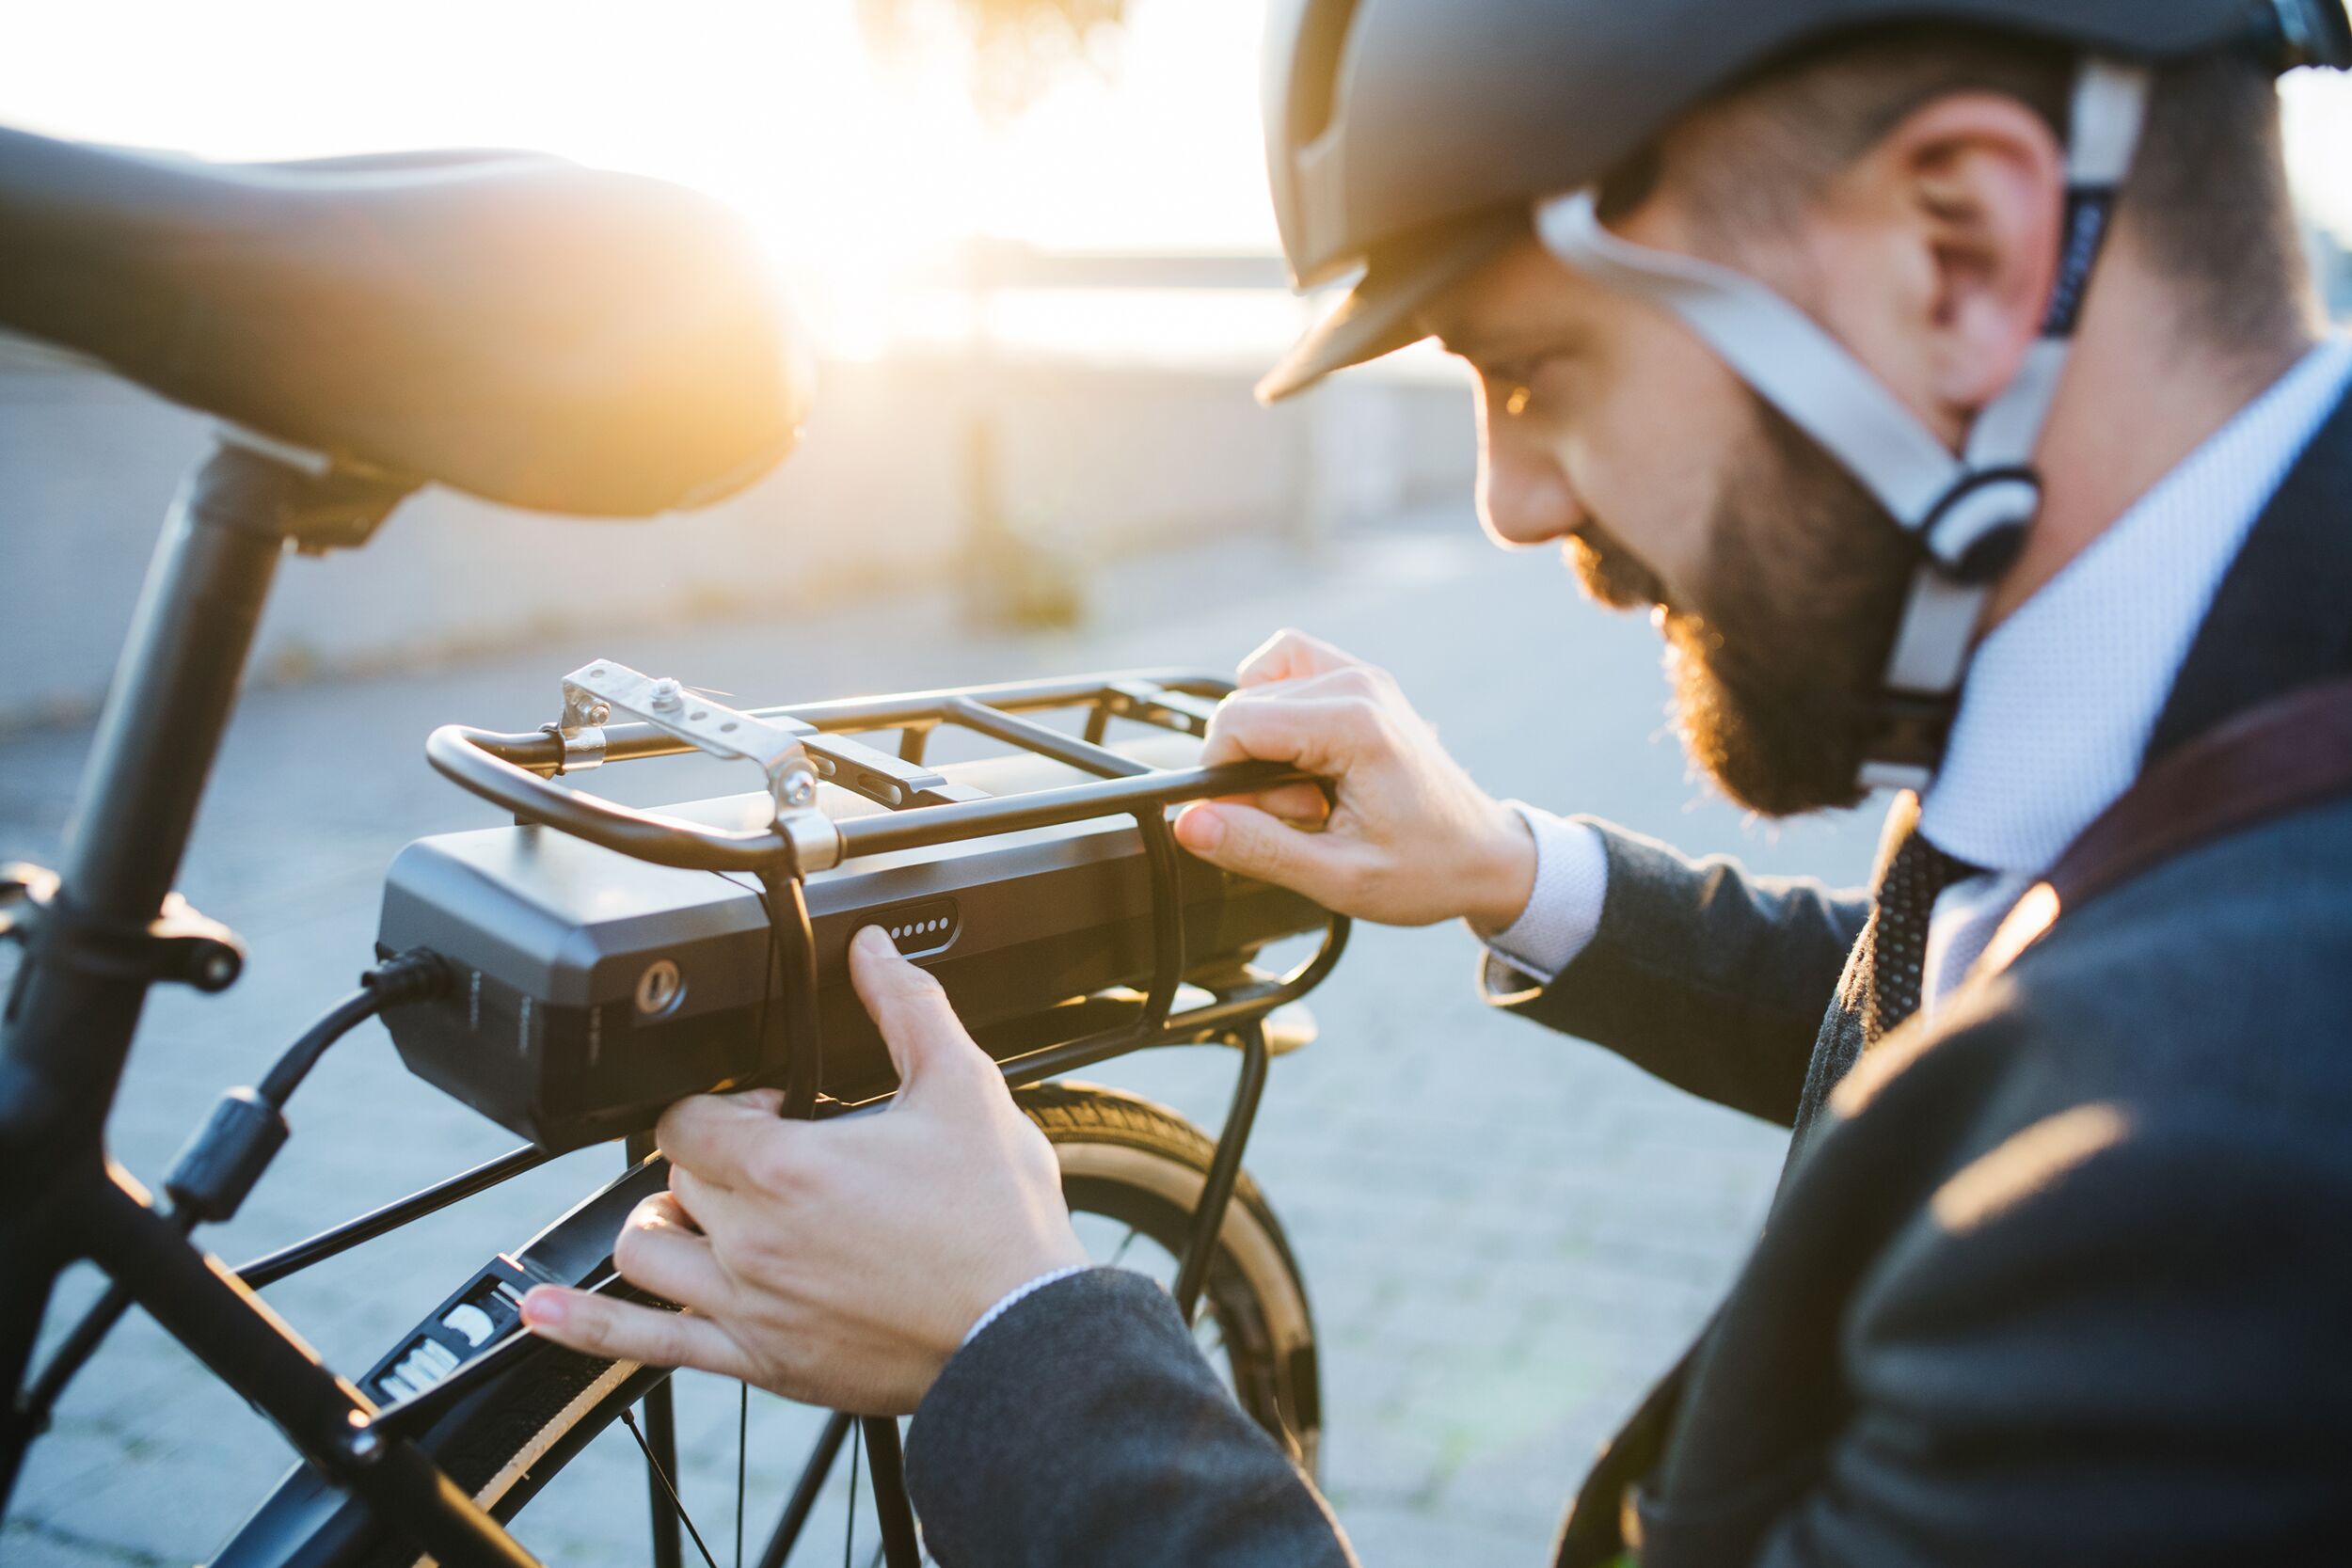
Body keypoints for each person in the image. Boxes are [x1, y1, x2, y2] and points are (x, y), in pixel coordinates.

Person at [520, 0, 2352, 1560]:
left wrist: (1014, 1340)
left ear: (1952, 255)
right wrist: (1504, 870)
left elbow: (2093, 1080)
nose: (1511, 499)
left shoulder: (2229, 1153)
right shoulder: (2202, 703)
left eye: (1534, 365)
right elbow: (1955, 1025)